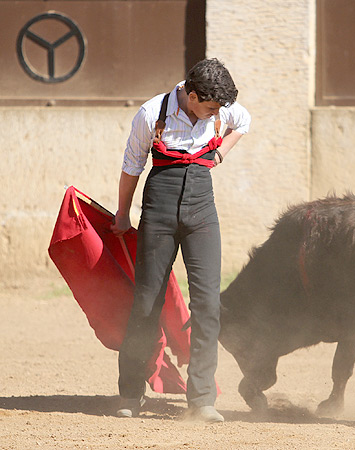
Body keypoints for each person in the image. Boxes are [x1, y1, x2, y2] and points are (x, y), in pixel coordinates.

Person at [111, 58, 251, 422]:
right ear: (191, 96)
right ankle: (130, 393)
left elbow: (245, 122)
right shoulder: (151, 112)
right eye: (209, 108)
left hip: (203, 209)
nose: (214, 114)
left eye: (219, 109)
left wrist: (221, 151)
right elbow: (132, 165)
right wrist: (123, 214)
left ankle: (202, 399)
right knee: (146, 303)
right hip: (159, 207)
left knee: (207, 305)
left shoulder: (221, 105)